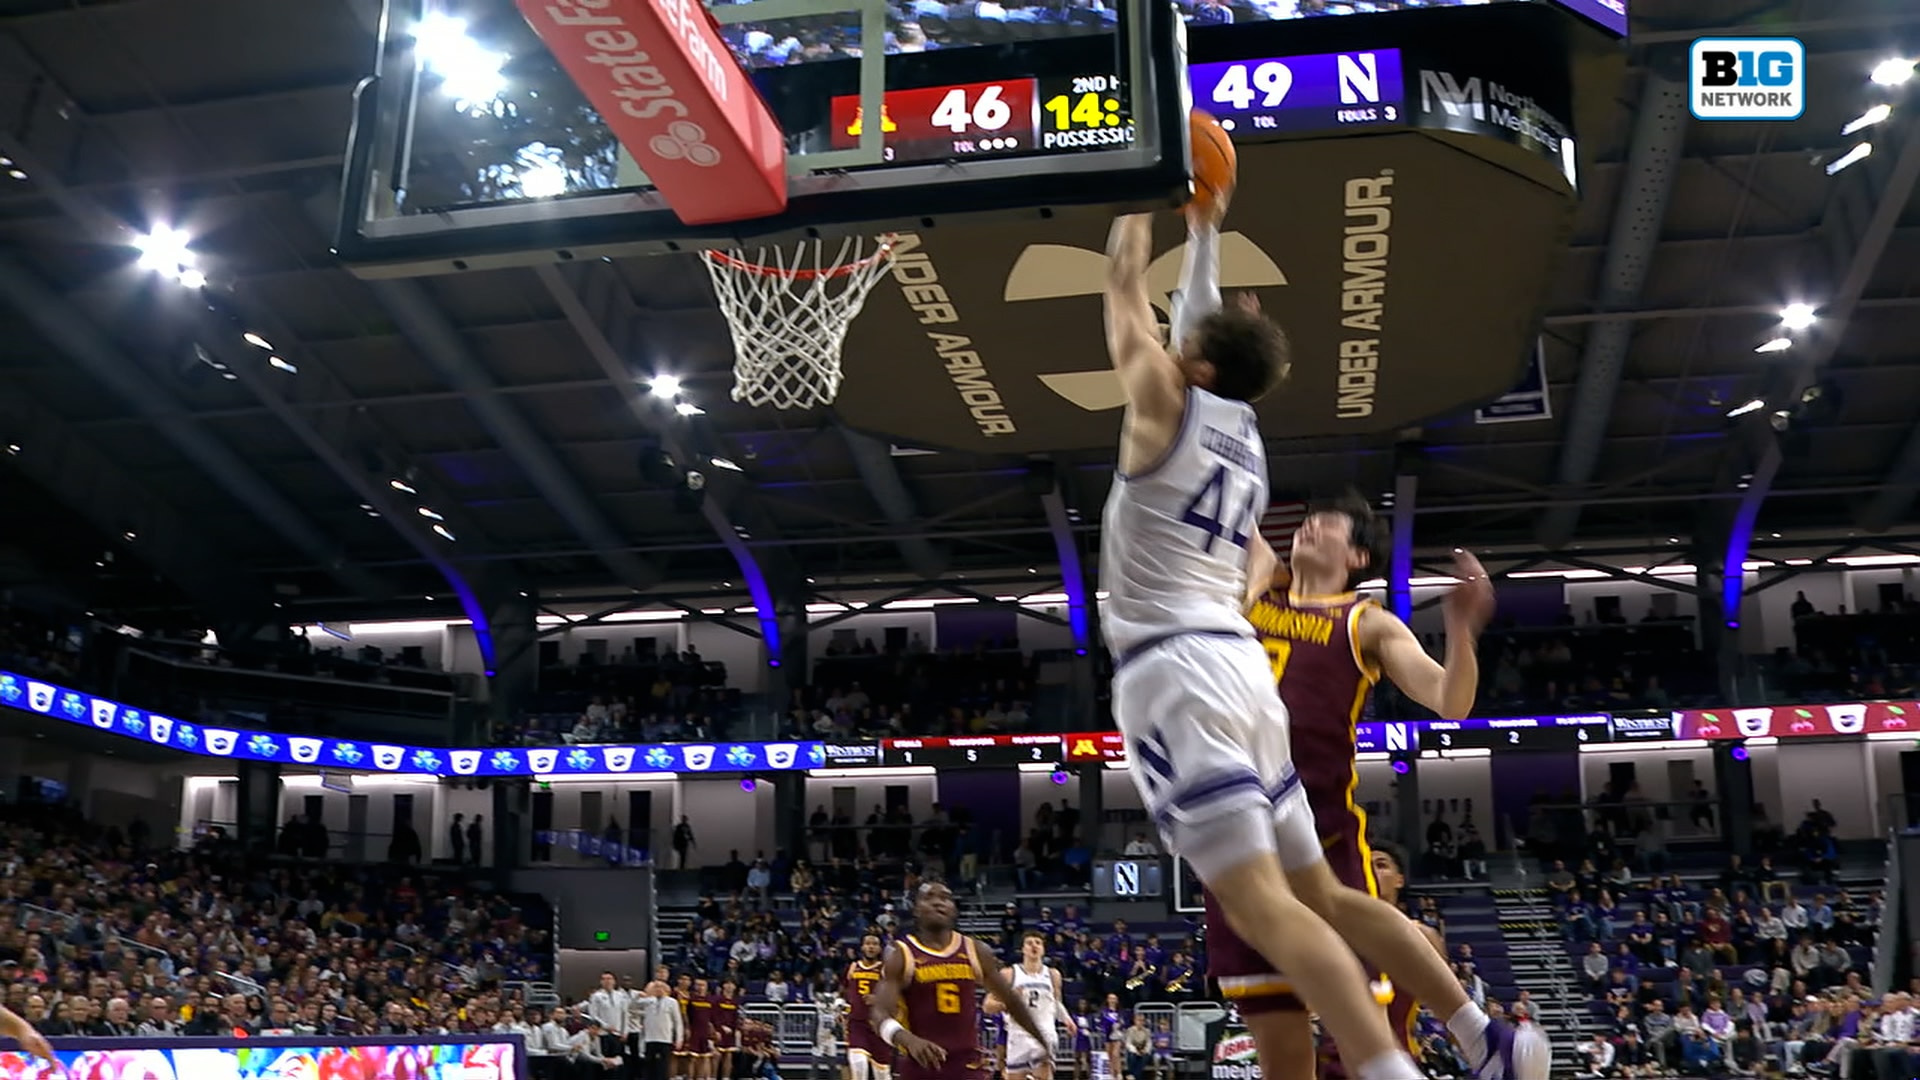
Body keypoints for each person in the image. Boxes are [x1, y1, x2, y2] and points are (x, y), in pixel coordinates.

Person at [1098, 201, 1524, 1080]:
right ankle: (1472, 1041)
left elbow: (1126, 291)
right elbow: (1190, 330)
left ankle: (1400, 1060)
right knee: (1307, 907)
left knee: (1278, 910)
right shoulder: (1244, 439)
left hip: (1184, 675)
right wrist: (1205, 229)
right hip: (1241, 681)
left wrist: (1142, 188)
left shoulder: (1360, 612)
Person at [1205, 489, 1514, 1077]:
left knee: (1359, 1031)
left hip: (1317, 824)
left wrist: (1462, 631)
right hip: (1236, 823)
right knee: (1279, 1044)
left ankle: (1479, 1035)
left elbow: (1451, 701)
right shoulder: (1261, 582)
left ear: (1357, 557)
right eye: (1307, 521)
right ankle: (1484, 1039)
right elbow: (1230, 504)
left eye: (1326, 525)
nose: (1308, 528)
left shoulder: (1367, 622)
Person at [867, 881, 1050, 1080]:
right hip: (921, 1064)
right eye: (929, 897)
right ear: (916, 909)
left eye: (945, 898)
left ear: (954, 909)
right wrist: (908, 1040)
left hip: (967, 1064)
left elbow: (1011, 1000)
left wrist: (1041, 1040)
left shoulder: (975, 950)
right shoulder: (902, 954)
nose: (938, 902)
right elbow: (879, 1014)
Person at [984, 930, 1077, 1080]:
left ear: (1043, 949)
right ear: (1022, 949)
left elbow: (1056, 1002)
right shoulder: (1009, 974)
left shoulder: (1053, 974)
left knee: (1044, 1072)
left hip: (1044, 1033)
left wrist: (1067, 1019)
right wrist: (1008, 1001)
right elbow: (987, 1006)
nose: (1034, 946)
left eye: (1038, 943)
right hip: (1018, 1035)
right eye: (1029, 943)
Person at [843, 933, 890, 1080]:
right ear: (862, 947)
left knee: (882, 1074)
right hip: (857, 1023)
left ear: (880, 948)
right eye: (868, 943)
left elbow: (897, 996)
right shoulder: (853, 967)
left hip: (879, 1026)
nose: (871, 947)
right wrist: (841, 1007)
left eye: (875, 944)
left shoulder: (885, 969)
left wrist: (879, 999)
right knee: (859, 1065)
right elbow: (844, 991)